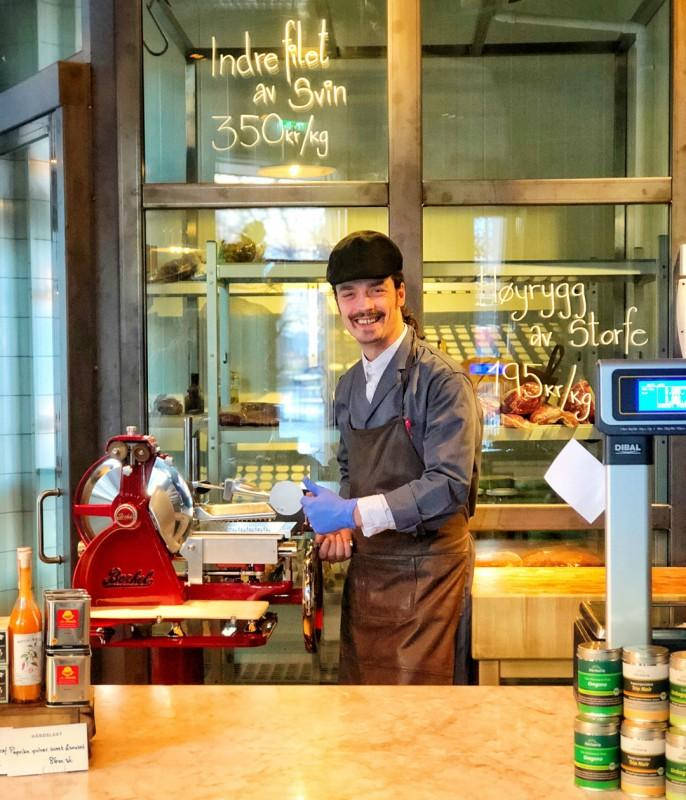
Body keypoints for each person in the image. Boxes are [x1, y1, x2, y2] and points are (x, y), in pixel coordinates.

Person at [300, 230, 482, 685]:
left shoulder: (441, 380)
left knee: (421, 713)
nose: (364, 305)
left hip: (430, 578)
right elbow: (351, 470)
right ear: (337, 304)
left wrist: (353, 512)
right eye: (349, 293)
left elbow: (449, 485)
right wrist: (342, 526)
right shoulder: (348, 386)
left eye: (376, 290)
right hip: (369, 576)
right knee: (364, 711)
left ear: (400, 293)